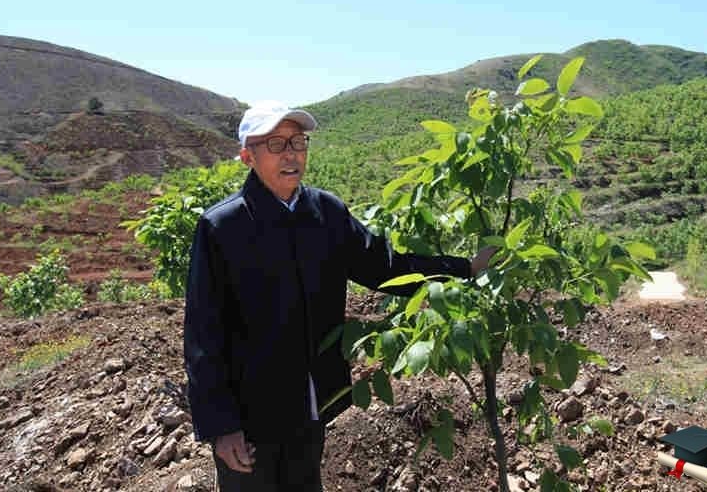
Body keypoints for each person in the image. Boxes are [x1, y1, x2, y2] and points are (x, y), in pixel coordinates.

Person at [184, 101, 494, 491]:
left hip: (313, 402)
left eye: (298, 141)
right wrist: (220, 425)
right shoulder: (222, 227)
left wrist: (465, 269)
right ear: (248, 155)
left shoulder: (325, 212)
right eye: (276, 144)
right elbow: (202, 332)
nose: (292, 153)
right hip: (250, 416)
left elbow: (385, 267)